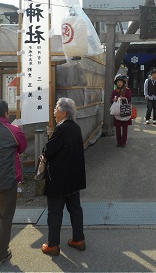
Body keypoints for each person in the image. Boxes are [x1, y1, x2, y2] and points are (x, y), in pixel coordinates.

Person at [41, 97, 86, 256]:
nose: (54, 112)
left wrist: (44, 152)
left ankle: (52, 245)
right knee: (75, 208)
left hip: (59, 179)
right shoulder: (75, 127)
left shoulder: (61, 129)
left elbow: (48, 151)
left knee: (54, 211)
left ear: (63, 112)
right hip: (74, 177)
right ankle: (78, 239)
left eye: (56, 109)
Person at [0, 100, 27, 266]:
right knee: (5, 217)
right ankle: (2, 253)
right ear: (5, 113)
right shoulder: (13, 130)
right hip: (6, 182)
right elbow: (22, 148)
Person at [111, 75, 132, 147]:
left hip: (125, 110)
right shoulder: (114, 91)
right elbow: (111, 100)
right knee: (117, 127)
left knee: (125, 127)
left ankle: (123, 142)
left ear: (123, 83)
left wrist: (124, 99)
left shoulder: (127, 90)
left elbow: (129, 99)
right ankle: (118, 141)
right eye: (118, 82)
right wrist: (114, 100)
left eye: (120, 82)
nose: (119, 83)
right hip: (117, 111)